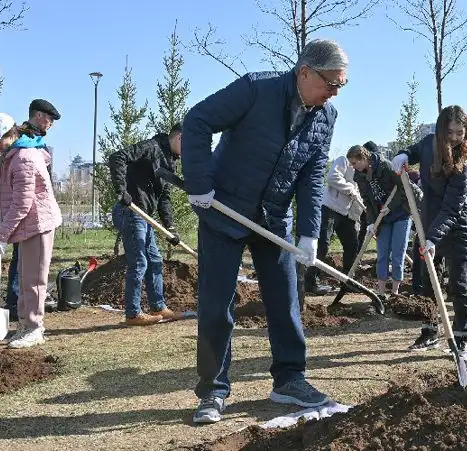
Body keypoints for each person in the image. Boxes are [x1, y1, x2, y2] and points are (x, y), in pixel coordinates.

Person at [181, 39, 347, 424]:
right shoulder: (256, 88)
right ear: (304, 72)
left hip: (274, 219)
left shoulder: (326, 115)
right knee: (217, 305)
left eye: (341, 85)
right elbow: (198, 120)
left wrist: (309, 233)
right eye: (331, 83)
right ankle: (213, 391)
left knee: (285, 300)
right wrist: (200, 183)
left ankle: (290, 380)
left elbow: (312, 174)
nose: (335, 93)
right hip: (225, 211)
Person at [391, 105, 467, 354]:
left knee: (458, 284)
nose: (455, 138)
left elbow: (451, 208)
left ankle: (461, 336)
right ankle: (430, 332)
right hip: (428, 223)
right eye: (450, 132)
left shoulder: (464, 163)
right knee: (427, 282)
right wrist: (404, 154)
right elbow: (415, 150)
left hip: (457, 227)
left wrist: (432, 238)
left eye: (460, 133)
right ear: (440, 131)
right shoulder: (429, 144)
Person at [0, 112, 62, 348]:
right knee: (24, 277)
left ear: (9, 134)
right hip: (26, 223)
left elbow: (22, 203)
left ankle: (34, 328)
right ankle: (24, 325)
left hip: (38, 224)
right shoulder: (12, 154)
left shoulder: (24, 158)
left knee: (34, 280)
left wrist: (2, 235)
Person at [108, 123, 185, 326]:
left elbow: (164, 198)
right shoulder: (151, 147)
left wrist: (170, 228)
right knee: (139, 262)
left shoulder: (170, 162)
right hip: (131, 211)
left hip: (145, 216)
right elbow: (117, 157)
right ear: (180, 138)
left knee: (155, 260)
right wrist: (121, 190)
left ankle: (158, 307)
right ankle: (133, 314)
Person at [5, 99, 60, 321]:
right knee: (23, 262)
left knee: (27, 263)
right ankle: (16, 304)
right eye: (50, 119)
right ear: (39, 116)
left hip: (37, 210)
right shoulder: (23, 140)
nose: (51, 124)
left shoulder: (36, 140)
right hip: (26, 211)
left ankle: (19, 305)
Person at [348, 145, 418, 296]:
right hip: (382, 217)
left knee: (397, 254)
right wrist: (371, 221)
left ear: (363, 158)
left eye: (354, 163)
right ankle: (380, 293)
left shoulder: (385, 166)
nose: (352, 166)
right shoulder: (359, 175)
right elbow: (367, 200)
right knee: (382, 254)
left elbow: (403, 188)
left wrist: (390, 207)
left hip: (401, 213)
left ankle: (395, 292)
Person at [304, 148, 365, 296]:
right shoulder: (343, 161)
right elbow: (332, 178)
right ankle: (311, 282)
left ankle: (347, 281)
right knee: (323, 244)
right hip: (330, 208)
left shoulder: (364, 173)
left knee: (352, 245)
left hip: (346, 213)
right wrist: (350, 189)